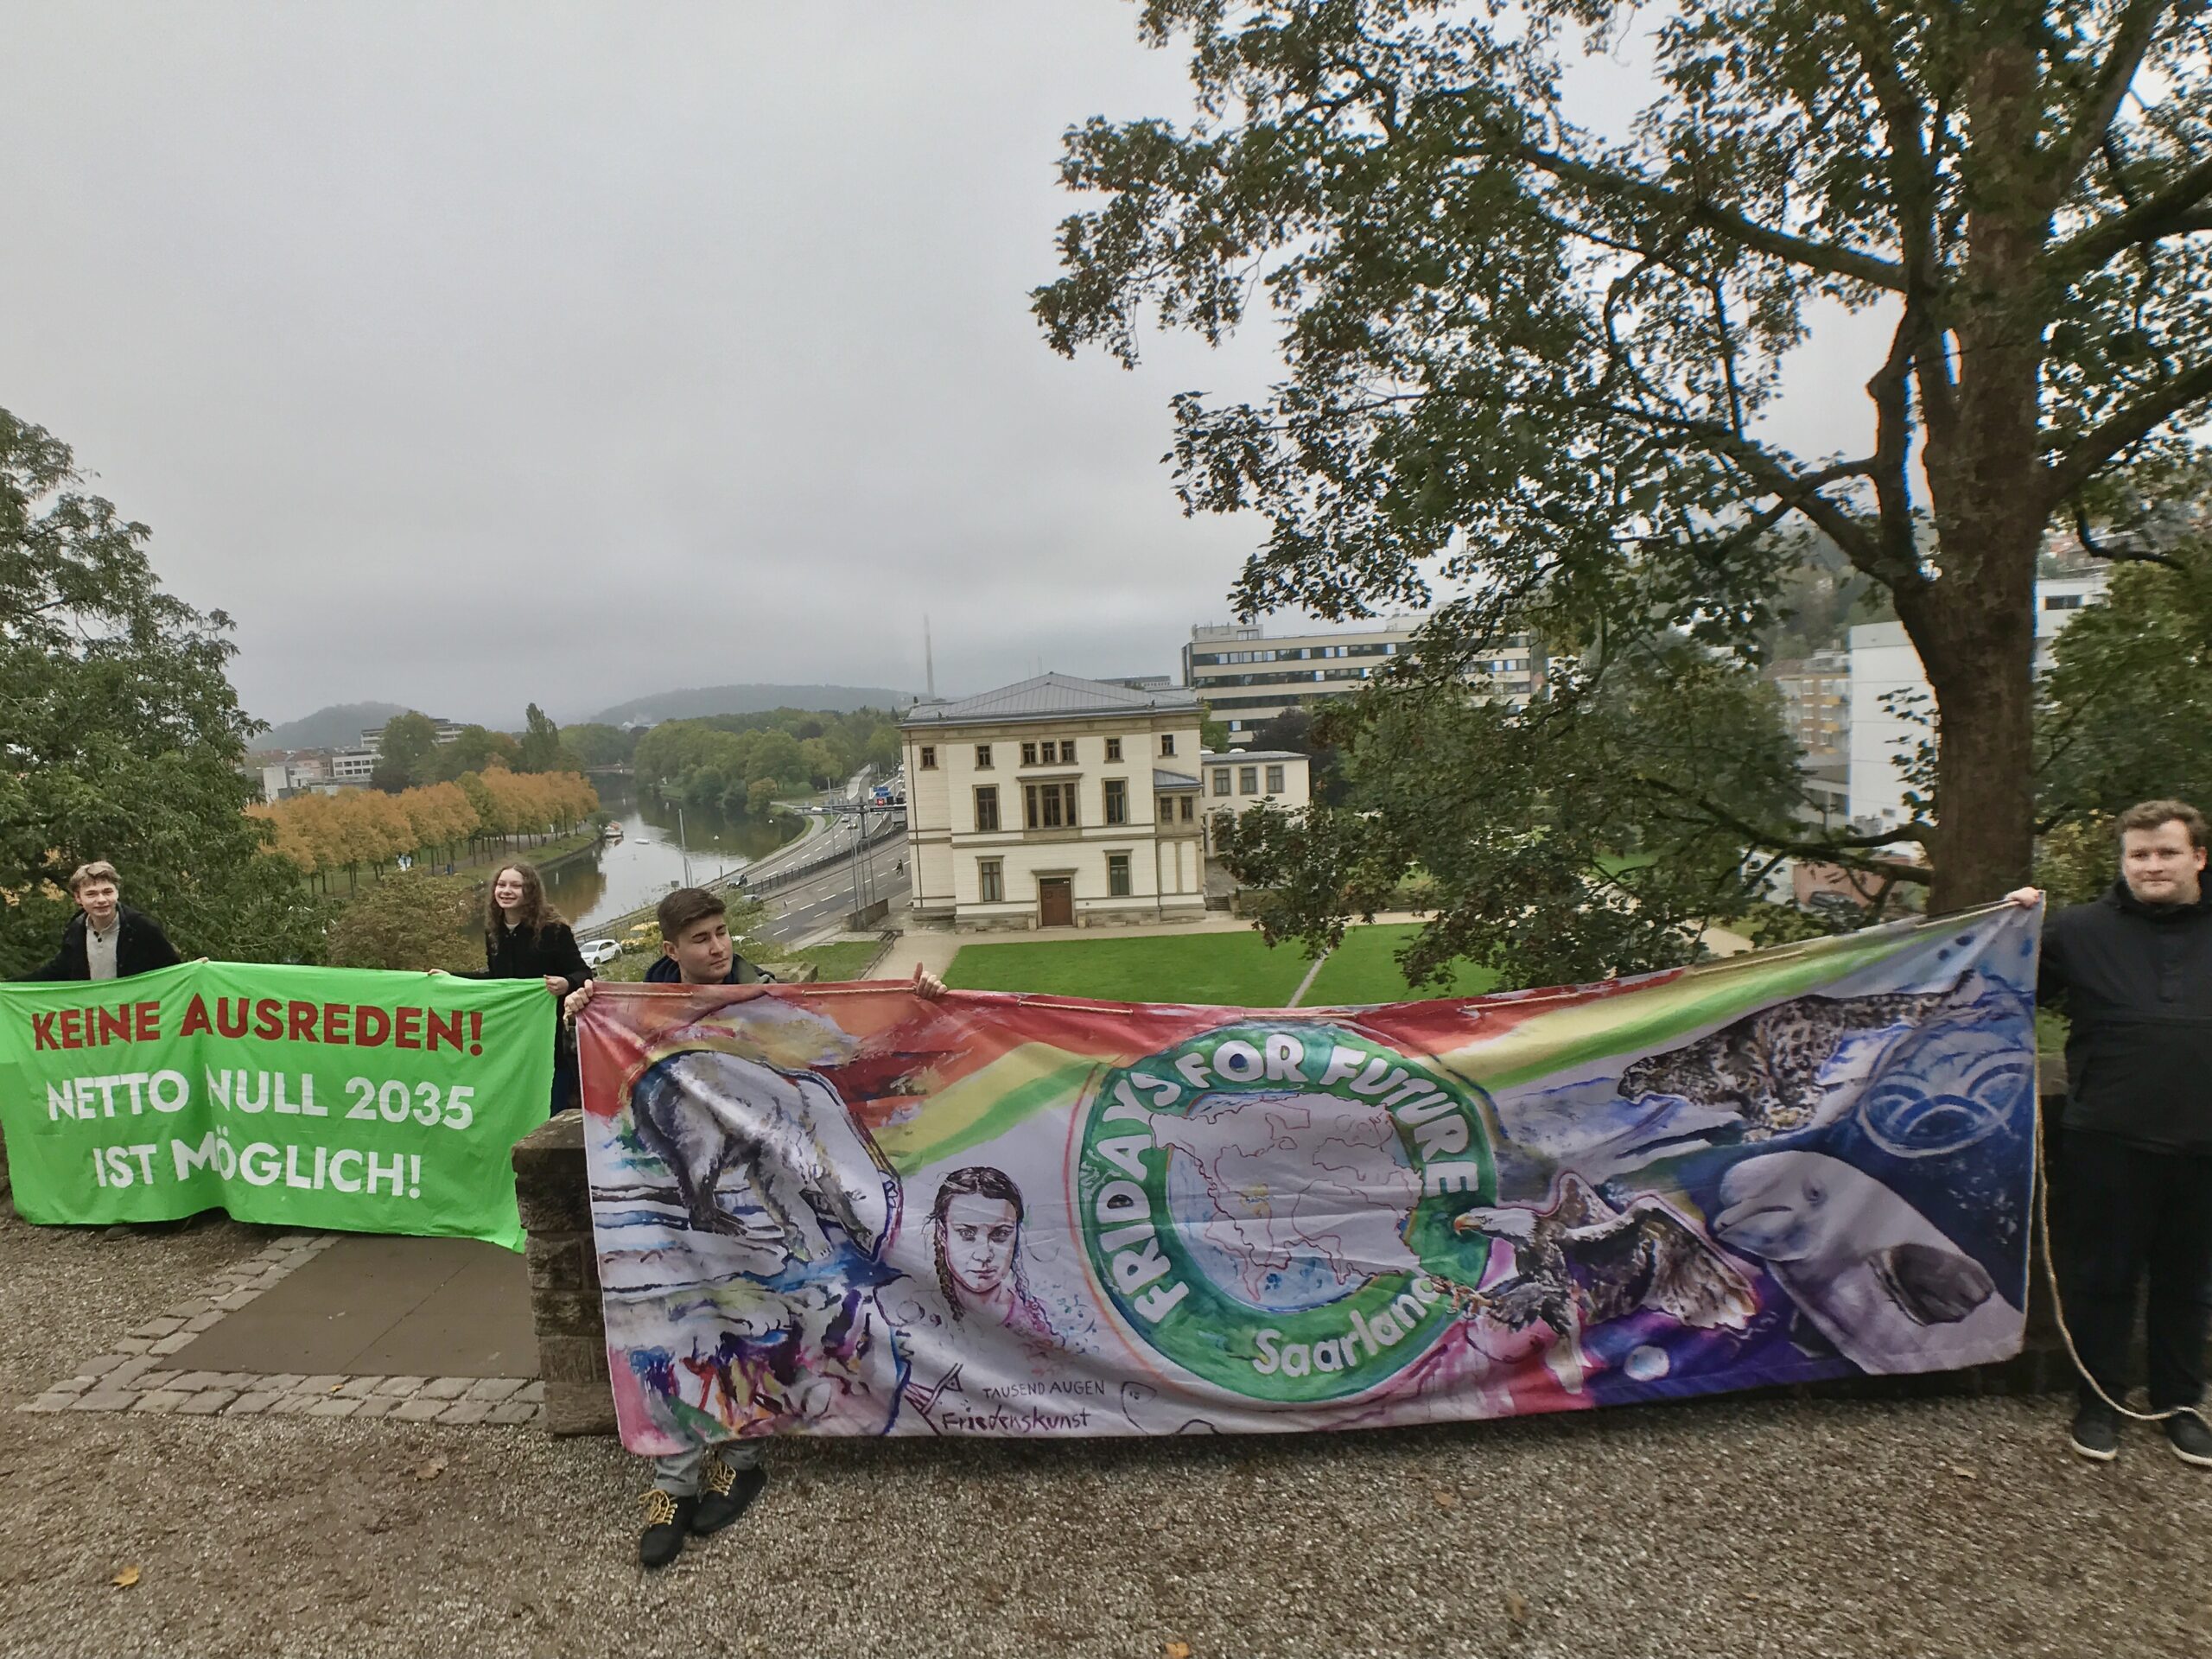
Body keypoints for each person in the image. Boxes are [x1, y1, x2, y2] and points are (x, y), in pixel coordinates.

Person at [563, 884, 946, 1567]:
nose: (719, 947)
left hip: (759, 1193)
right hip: (670, 1210)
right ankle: (672, 1482)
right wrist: (580, 1015)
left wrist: (921, 996)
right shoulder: (636, 1006)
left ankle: (740, 1458)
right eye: (702, 939)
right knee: (679, 1331)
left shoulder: (766, 998)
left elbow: (850, 1030)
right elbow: (588, 1071)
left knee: (753, 1324)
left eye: (722, 932)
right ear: (671, 949)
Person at [2007, 799, 2212, 1468]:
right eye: (2139, 855)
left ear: (2198, 857)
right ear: (2123, 862)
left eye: (2166, 852)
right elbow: (2010, 991)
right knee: (2104, 1279)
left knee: (2189, 1284)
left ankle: (2181, 1404)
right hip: (2108, 1140)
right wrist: (2010, 927)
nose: (2152, 865)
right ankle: (2099, 1402)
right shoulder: (2077, 931)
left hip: (2204, 1146)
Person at [461, 861, 592, 1115]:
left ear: (530, 891)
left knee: (550, 1106)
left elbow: (583, 973)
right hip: (512, 1033)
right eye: (501, 885)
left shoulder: (554, 930)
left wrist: (566, 983)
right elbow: (497, 979)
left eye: (515, 886)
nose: (506, 891)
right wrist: (451, 978)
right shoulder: (494, 931)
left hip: (548, 1036)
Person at [24, 861, 181, 981]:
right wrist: (8, 987)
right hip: (94, 1018)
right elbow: (57, 971)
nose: (101, 900)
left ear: (117, 893)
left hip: (135, 1017)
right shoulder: (75, 932)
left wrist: (195, 970)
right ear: (78, 898)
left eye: (107, 892)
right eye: (91, 894)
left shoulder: (141, 928)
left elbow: (173, 970)